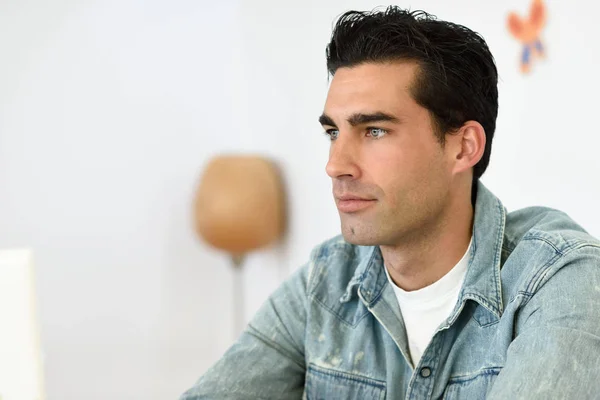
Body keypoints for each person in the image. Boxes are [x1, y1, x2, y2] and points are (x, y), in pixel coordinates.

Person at [181, 6, 600, 399]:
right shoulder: (327, 283)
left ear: (463, 147)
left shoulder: (559, 278)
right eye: (333, 133)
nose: (336, 165)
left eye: (374, 131)